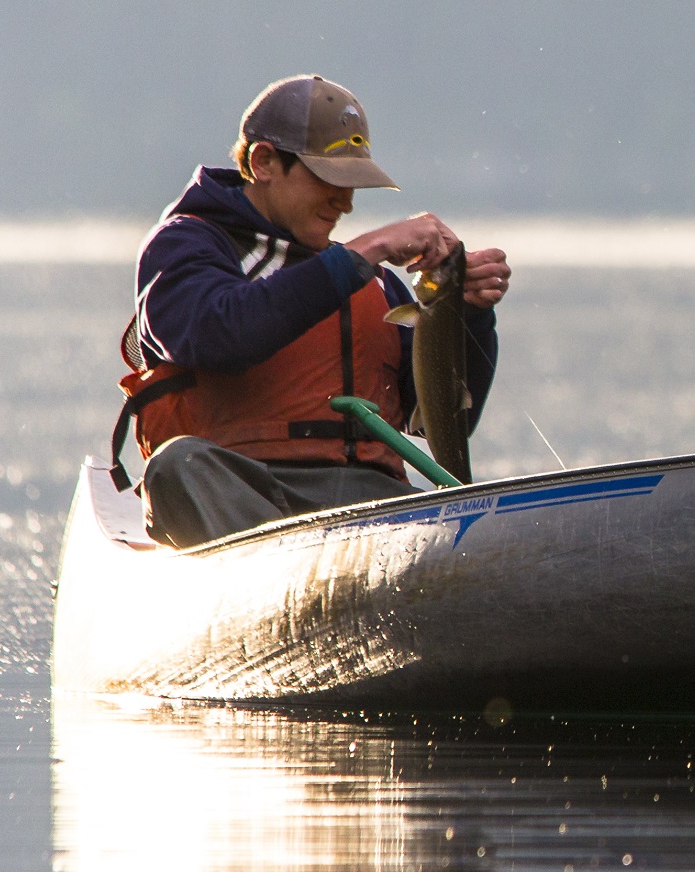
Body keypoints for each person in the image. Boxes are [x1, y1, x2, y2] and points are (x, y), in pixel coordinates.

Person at [115, 76, 511, 547]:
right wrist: (372, 247)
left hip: (367, 503)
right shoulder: (186, 244)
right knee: (175, 464)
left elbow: (439, 421)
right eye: (329, 180)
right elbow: (219, 335)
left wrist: (468, 317)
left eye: (353, 185)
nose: (345, 202)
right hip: (238, 491)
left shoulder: (373, 282)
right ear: (263, 162)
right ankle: (277, 575)